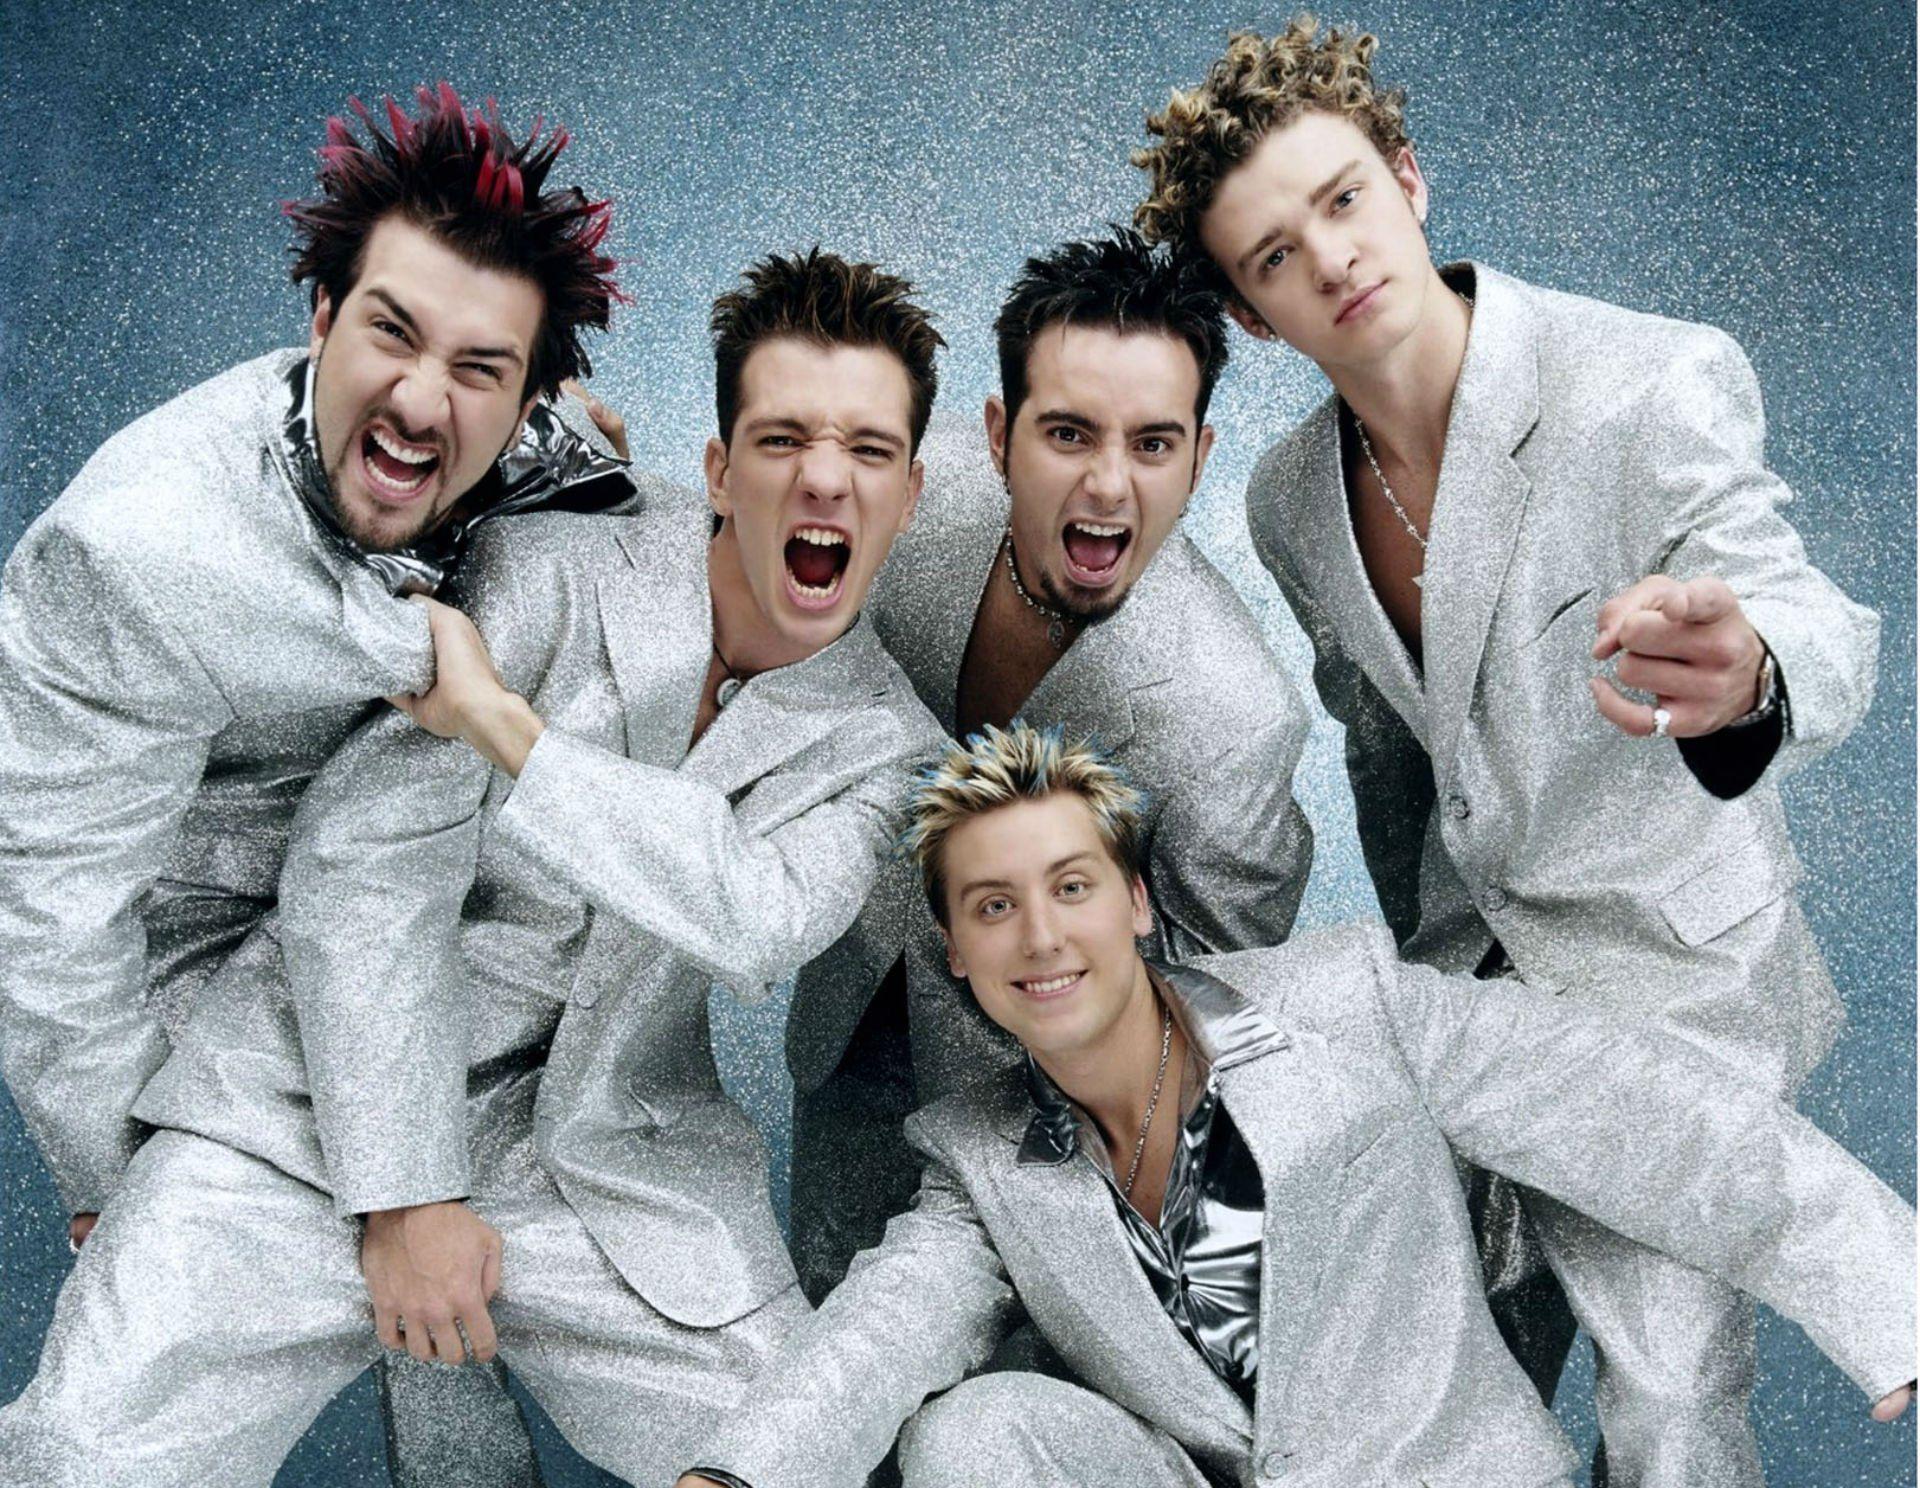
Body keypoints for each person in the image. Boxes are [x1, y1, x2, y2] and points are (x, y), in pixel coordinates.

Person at [0, 248, 948, 1486]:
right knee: (74, 1457)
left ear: (911, 492)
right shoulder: (544, 564)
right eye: (782, 441)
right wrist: (404, 1197)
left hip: (608, 1173)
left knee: (805, 1460)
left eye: (869, 451)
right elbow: (361, 875)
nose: (824, 478)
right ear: (720, 469)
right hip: (308, 1105)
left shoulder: (890, 745)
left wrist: (512, 734)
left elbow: (759, 918)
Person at [1129, 20, 1883, 1483]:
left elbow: (1813, 616)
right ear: (1255, 318)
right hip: (1466, 993)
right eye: (1275, 254)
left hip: (1667, 981)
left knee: (1669, 1397)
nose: (1332, 258)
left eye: (1344, 199)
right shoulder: (1291, 500)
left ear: (1408, 178)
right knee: (1439, 1390)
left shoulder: (1647, 378)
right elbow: (1388, 761)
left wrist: (1754, 668)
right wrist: (1414, 976)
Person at [678, 723, 1914, 1488]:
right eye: (994, 907)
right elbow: (871, 1345)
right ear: (957, 951)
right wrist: (730, 1480)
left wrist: (1887, 1292)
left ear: (1137, 904)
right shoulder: (981, 1161)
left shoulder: (1351, 1004)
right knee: (975, 1435)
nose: (1041, 936)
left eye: (1071, 886)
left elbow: (1645, 1116)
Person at [0, 81, 630, 1484]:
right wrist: (123, 1179)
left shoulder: (546, 454)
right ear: (322, 317)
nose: (420, 396)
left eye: (480, 367)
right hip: (206, 995)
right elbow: (51, 922)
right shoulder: (129, 555)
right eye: (390, 333)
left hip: (450, 961)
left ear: (527, 401)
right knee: (91, 1451)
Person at [787, 228, 1314, 1301]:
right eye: (1069, 433)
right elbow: (761, 547)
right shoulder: (911, 495)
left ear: (1200, 458)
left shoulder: (1232, 718)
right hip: (847, 1018)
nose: (1109, 485)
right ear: (998, 434)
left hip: (1032, 1124)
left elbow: (1213, 1002)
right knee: (824, 1319)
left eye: (1154, 444)